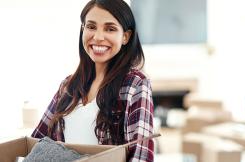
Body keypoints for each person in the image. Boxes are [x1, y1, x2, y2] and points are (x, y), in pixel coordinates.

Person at [31, 0, 154, 161]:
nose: (98, 37)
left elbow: (141, 156)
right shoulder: (68, 86)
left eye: (110, 29)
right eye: (91, 26)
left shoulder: (135, 84)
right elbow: (37, 143)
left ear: (125, 36)